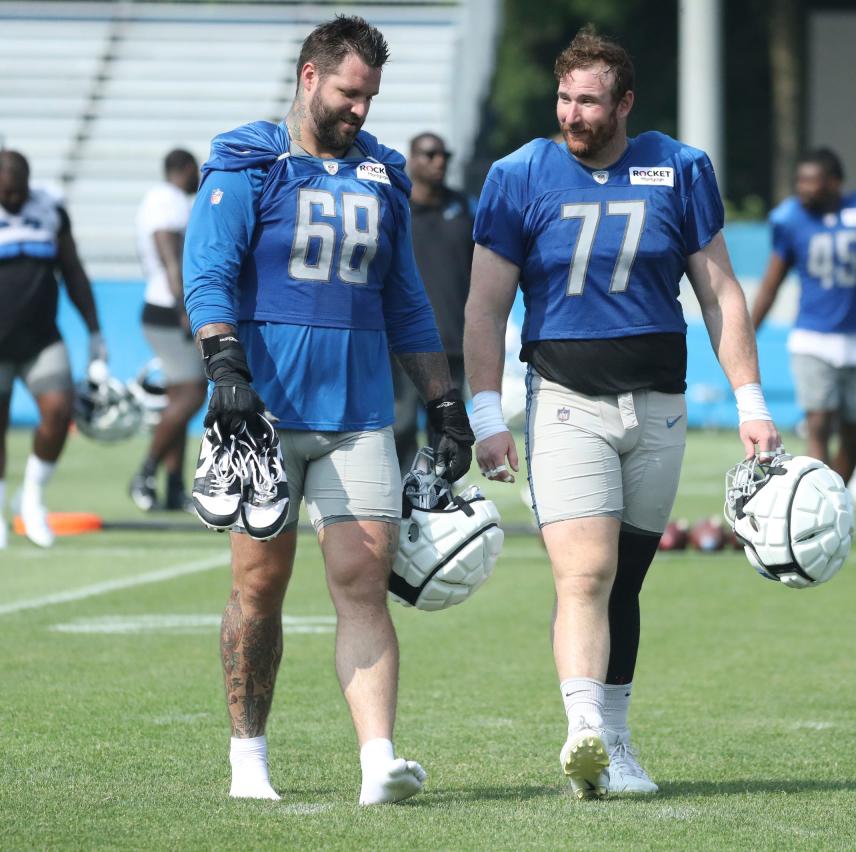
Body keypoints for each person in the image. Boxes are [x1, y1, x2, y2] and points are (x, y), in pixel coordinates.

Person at [463, 27, 780, 799]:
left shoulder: (679, 168)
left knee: (626, 580)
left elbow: (718, 292)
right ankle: (584, 732)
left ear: (625, 102)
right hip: (567, 399)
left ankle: (618, 742)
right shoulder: (518, 174)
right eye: (565, 98)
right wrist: (484, 411)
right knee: (586, 573)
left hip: (660, 404)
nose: (573, 114)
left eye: (590, 101)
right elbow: (483, 305)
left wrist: (750, 400)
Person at [183, 16, 474, 803]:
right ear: (310, 77)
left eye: (371, 97)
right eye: (350, 92)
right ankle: (249, 759)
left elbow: (405, 299)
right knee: (259, 585)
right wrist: (225, 368)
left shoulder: (381, 173)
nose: (361, 111)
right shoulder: (248, 159)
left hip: (358, 410)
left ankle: (378, 760)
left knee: (362, 578)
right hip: (265, 416)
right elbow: (207, 272)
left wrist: (445, 403)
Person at [751, 148, 856, 498]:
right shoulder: (789, 219)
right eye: (799, 180)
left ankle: (834, 498)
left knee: (854, 431)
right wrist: (749, 331)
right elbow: (772, 283)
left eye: (811, 181)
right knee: (819, 422)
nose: (803, 188)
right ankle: (817, 496)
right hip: (811, 338)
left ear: (834, 183)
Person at [0, 150, 107, 549]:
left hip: (40, 338)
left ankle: (32, 498)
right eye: (6, 192)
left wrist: (94, 331)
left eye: (19, 191)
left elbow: (73, 270)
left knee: (59, 412)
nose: (13, 199)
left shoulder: (49, 209)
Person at [391, 132, 474, 473]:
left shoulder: (465, 208)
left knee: (447, 432)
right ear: (412, 157)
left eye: (444, 154)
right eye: (430, 154)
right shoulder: (396, 206)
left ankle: (441, 511)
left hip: (453, 342)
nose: (439, 161)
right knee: (400, 426)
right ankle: (400, 507)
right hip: (403, 347)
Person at [129, 149, 206, 512]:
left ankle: (174, 488)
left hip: (166, 306)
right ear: (186, 168)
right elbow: (170, 256)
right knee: (192, 395)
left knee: (180, 399)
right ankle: (145, 472)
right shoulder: (168, 200)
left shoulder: (163, 199)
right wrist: (184, 307)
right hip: (169, 309)